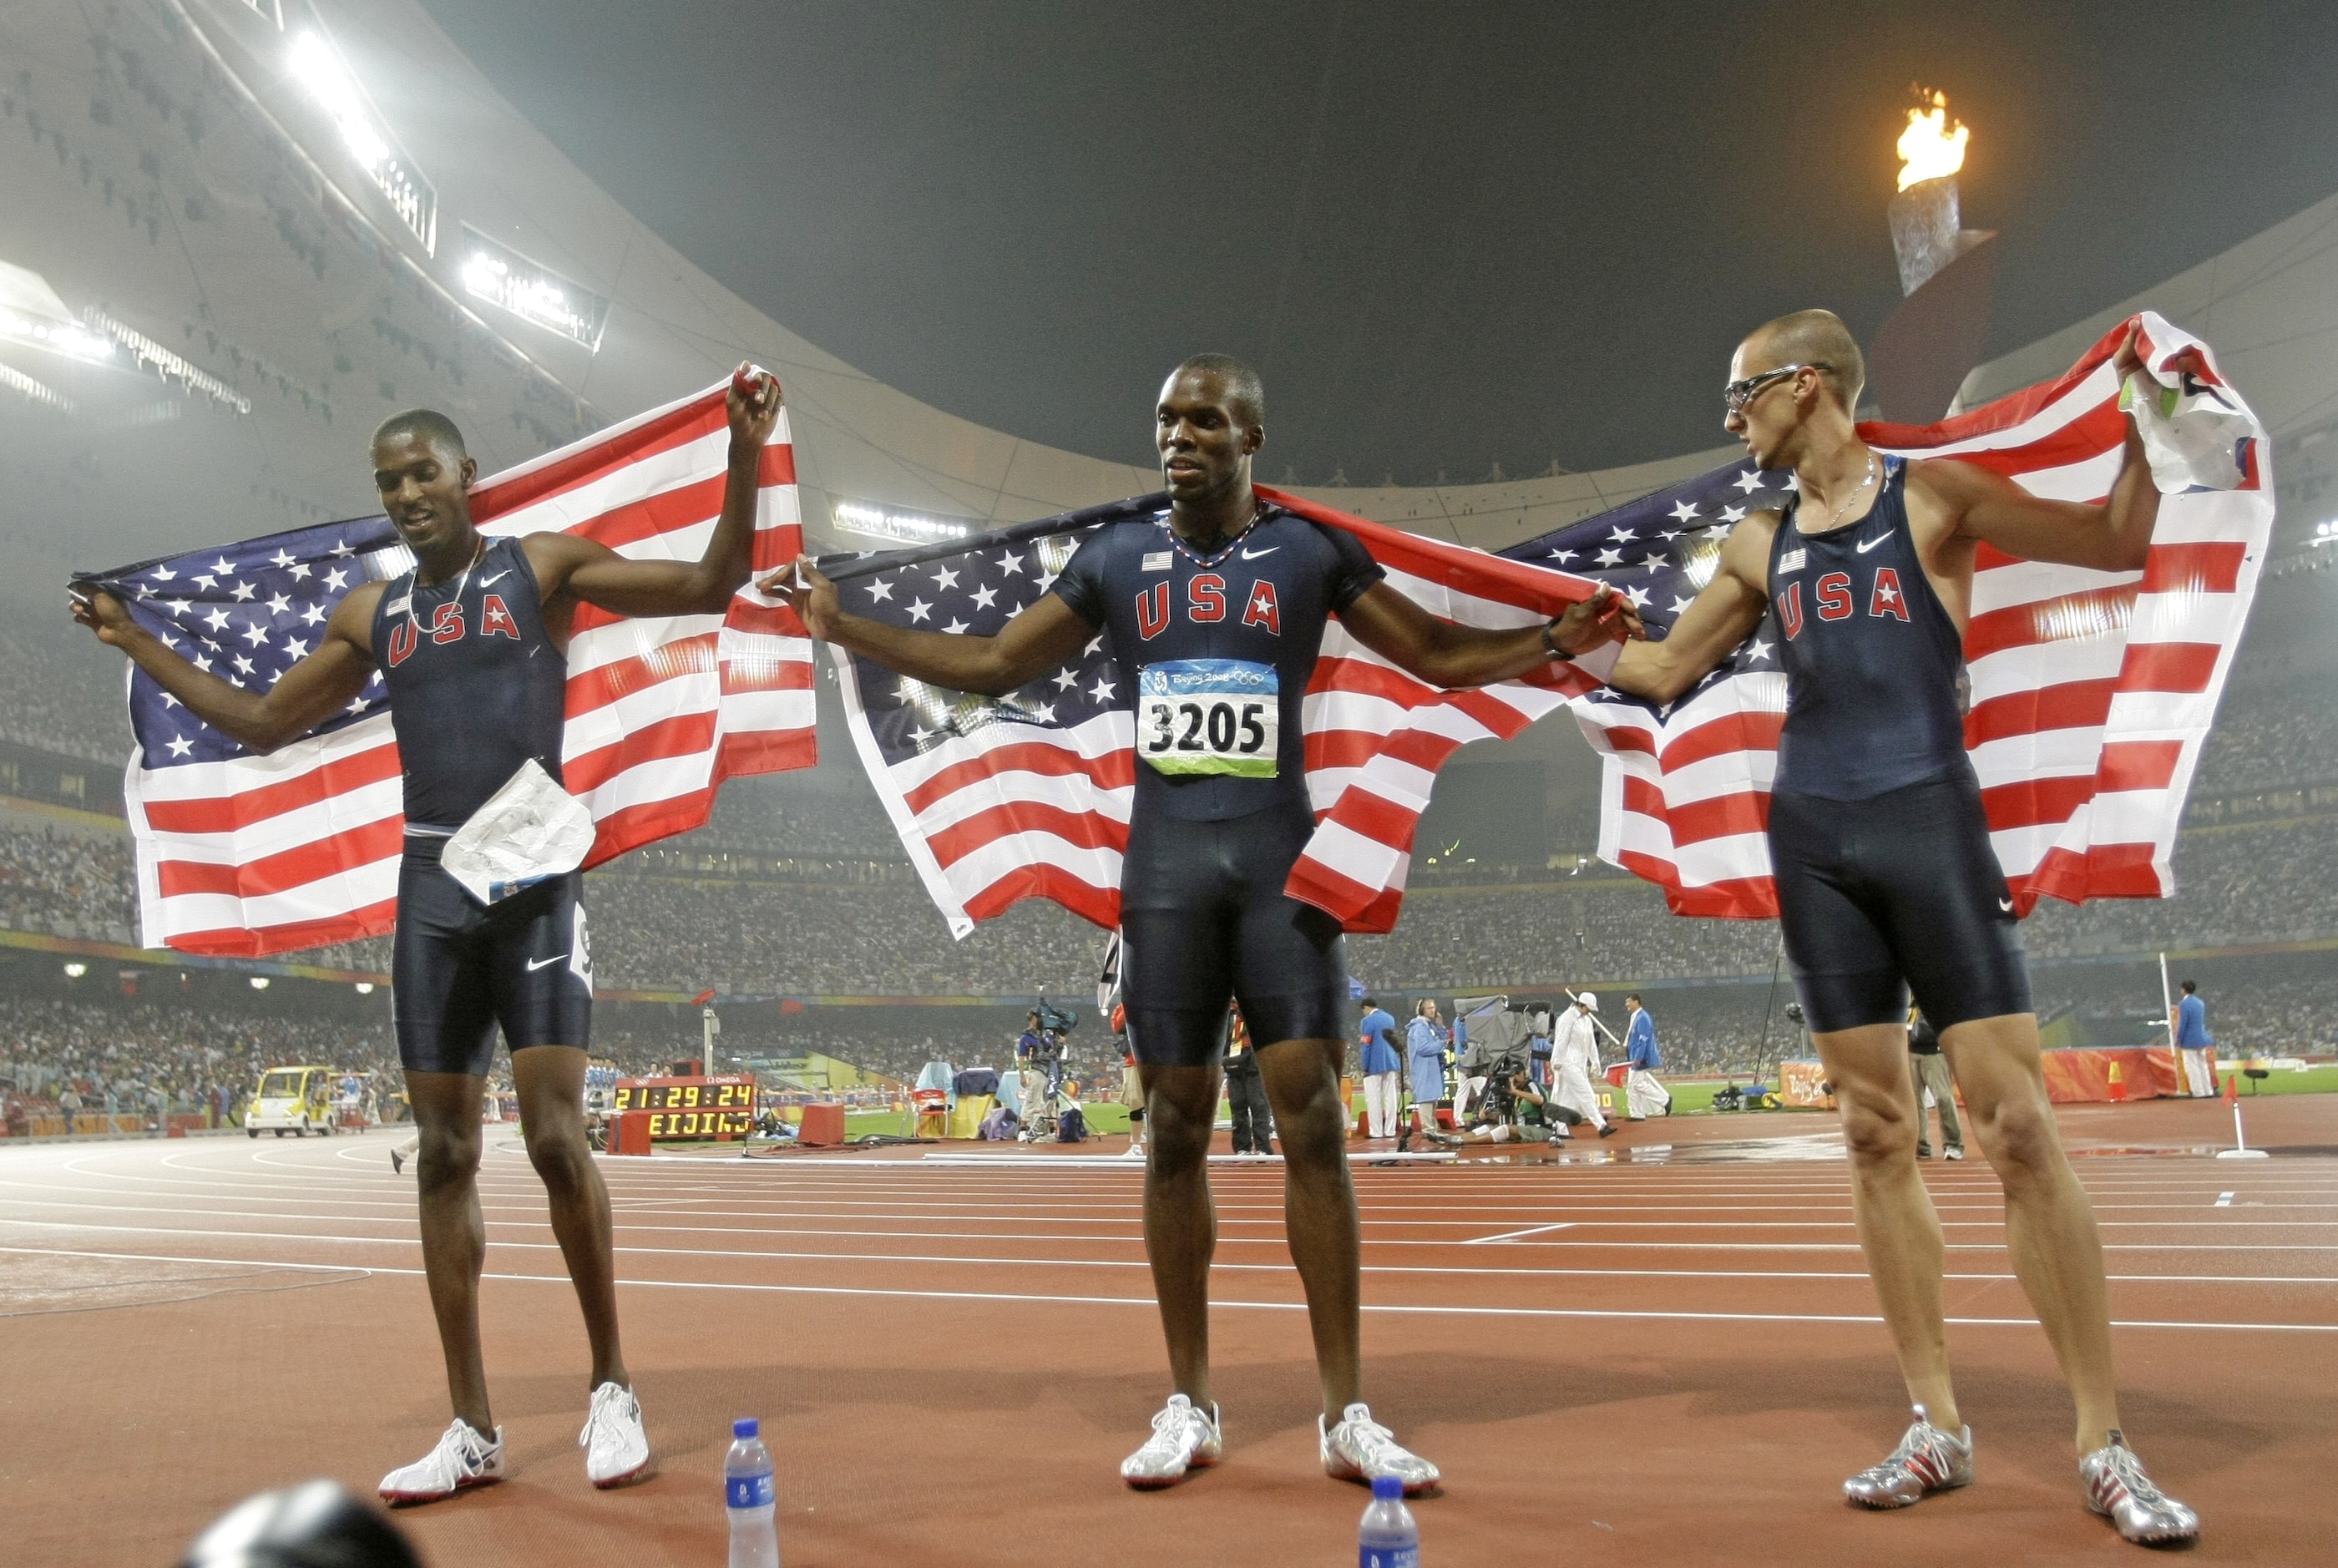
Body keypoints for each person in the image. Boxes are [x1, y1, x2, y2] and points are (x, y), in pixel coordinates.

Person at [775, 354, 1633, 1495]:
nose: (1179, 437)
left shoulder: (1310, 552)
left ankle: (1346, 1410)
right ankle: (1189, 1399)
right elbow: (991, 663)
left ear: (1253, 437)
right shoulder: (1117, 557)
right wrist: (846, 628)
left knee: (1313, 1119)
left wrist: (1554, 640)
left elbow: (1429, 655)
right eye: (1168, 419)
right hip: (1167, 871)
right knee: (1173, 1131)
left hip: (1283, 864)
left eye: (1206, 420)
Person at [73, 367, 786, 1504]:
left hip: (539, 879)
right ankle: (473, 1424)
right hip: (435, 891)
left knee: (556, 1137)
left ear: (465, 476)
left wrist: (744, 457)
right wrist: (134, 647)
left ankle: (612, 1386)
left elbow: (709, 580)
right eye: (386, 480)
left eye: (421, 471)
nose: (406, 491)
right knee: (445, 1156)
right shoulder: (376, 614)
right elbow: (263, 720)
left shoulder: (538, 566)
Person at [1600, 310, 2194, 1543]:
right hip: (1812, 835)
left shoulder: (1934, 498)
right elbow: (1661, 673)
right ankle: (1937, 1422)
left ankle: (2104, 1440)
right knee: (1874, 1130)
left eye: (1741, 392)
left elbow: (2115, 539)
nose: (1729, 417)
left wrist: (2154, 419)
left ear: (1803, 386)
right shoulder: (1760, 541)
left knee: (2016, 1123)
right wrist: (1523, 638)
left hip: (1928, 817)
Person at [1550, 993, 1615, 1137]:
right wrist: (1557, 1062)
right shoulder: (1566, 1018)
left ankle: (1560, 1129)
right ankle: (1601, 1126)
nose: (1589, 1011)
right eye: (1588, 1008)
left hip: (1580, 1064)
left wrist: (1595, 1061)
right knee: (1586, 1094)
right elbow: (1561, 1041)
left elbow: (1591, 1042)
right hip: (1567, 1062)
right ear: (1581, 1005)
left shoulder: (1587, 1020)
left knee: (1565, 1099)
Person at [1907, 1006, 1963, 1160]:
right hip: (1910, 1051)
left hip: (1935, 1052)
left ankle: (1953, 1144)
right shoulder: (1905, 996)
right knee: (1914, 1102)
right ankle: (1921, 1146)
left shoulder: (1936, 994)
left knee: (1943, 1098)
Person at [1222, 1004, 1275, 1156]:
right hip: (1233, 1065)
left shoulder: (1257, 1012)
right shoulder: (1228, 1016)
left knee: (1258, 1106)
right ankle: (1242, 1147)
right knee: (1237, 1107)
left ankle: (1263, 1147)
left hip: (1254, 1067)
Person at [1403, 999, 1450, 1151]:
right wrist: (1441, 1044)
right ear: (1422, 1010)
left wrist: (1441, 1025)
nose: (1433, 1010)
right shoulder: (1419, 1028)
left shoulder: (1429, 1026)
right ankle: (1428, 1130)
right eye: (1429, 1008)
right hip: (1423, 1067)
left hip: (1431, 1067)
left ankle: (1432, 1127)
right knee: (1426, 1099)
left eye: (1434, 1007)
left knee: (1432, 1099)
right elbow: (1423, 1048)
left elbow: (1442, 1038)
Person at [1356, 997, 1402, 1140]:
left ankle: (1376, 1131)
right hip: (1390, 1062)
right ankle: (1390, 1130)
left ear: (1366, 1008)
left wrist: (1364, 1065)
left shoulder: (1367, 1021)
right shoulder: (1390, 1018)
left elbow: (1366, 1044)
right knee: (1390, 1098)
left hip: (1374, 1064)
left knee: (1373, 1099)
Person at [1622, 994, 1671, 1120]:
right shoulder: (1636, 1016)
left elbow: (1643, 1039)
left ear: (1636, 1002)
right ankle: (1637, 1114)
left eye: (1629, 1002)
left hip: (1641, 1057)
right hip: (1633, 1055)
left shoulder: (1643, 1018)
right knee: (1632, 1086)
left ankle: (1664, 1100)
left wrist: (1638, 1057)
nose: (1627, 1004)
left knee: (1637, 1084)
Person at [1114, 1001, 1147, 1159]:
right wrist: (1129, 1004)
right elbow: (1117, 1026)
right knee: (1135, 1103)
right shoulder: (1125, 1005)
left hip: (1155, 1059)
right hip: (1134, 1060)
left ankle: (1141, 1142)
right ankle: (1136, 1144)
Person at [2174, 981, 2215, 1097]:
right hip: (2201, 1038)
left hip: (2189, 1040)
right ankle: (2208, 1090)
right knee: (2203, 1065)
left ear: (2183, 990)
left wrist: (2178, 1039)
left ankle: (2198, 1092)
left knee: (2192, 1066)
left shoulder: (2184, 1004)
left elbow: (2183, 1024)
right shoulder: (2200, 1003)